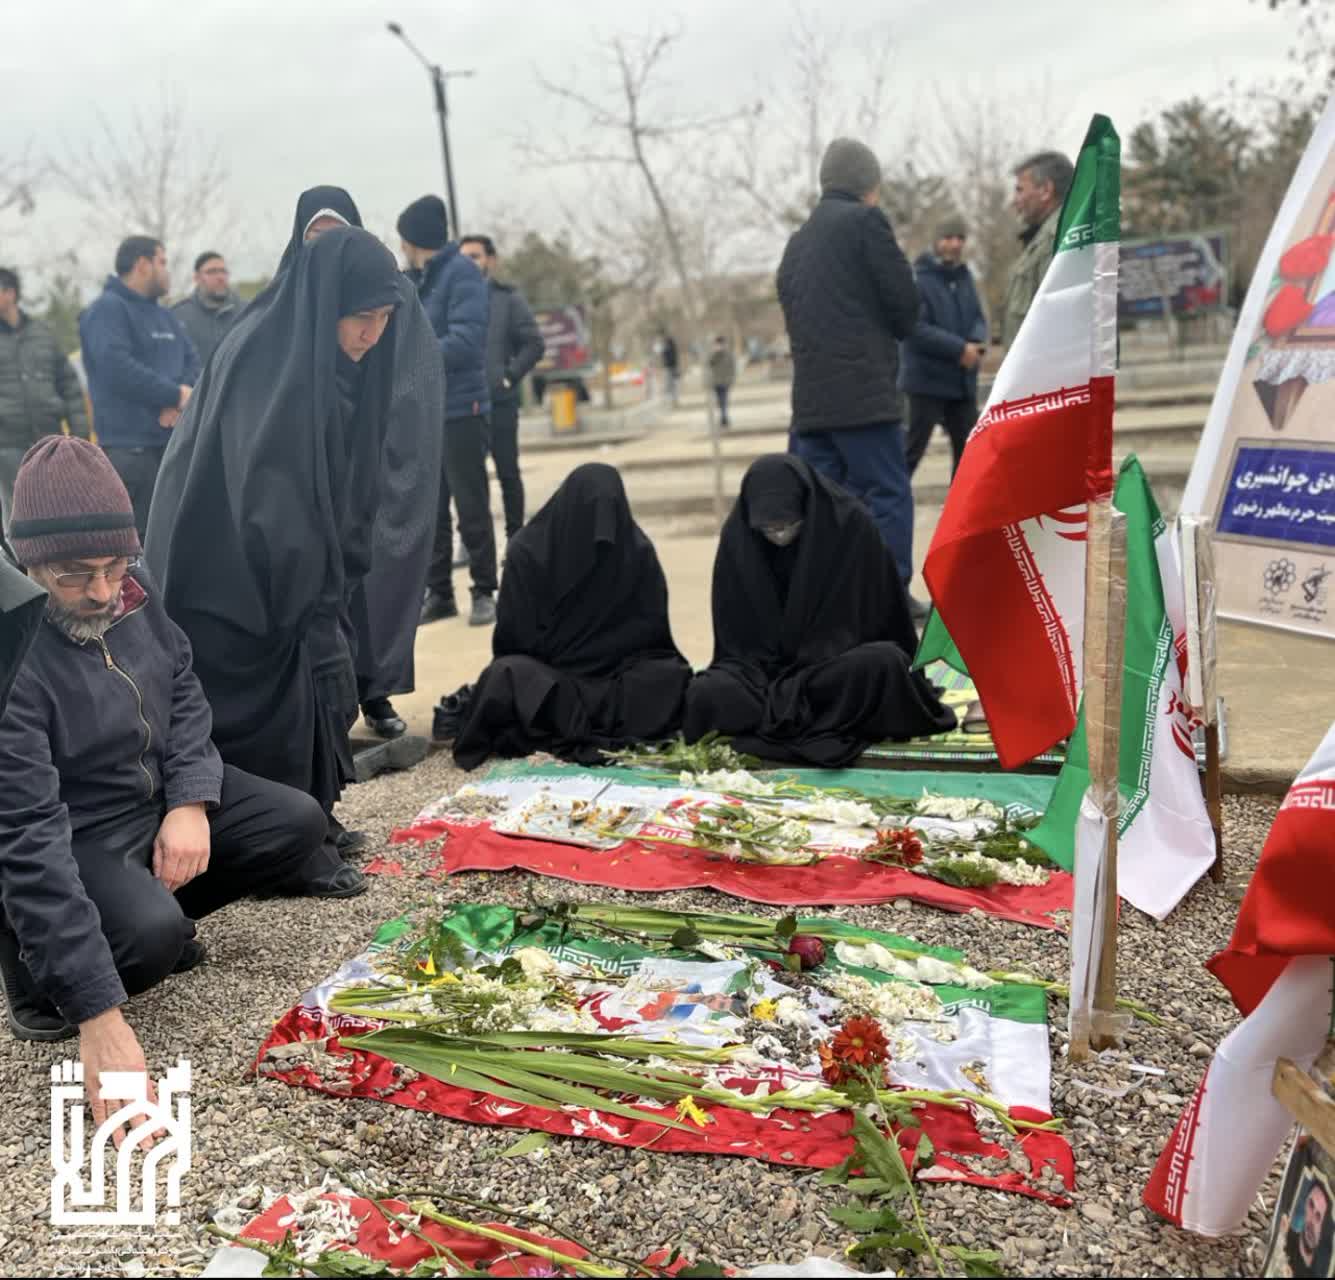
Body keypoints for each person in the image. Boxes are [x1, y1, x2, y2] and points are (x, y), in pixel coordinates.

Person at [0, 436, 337, 1096]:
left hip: (151, 796)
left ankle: (141, 916)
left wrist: (189, 801)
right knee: (150, 939)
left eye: (114, 566)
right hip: (78, 830)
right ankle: (39, 978)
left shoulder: (133, 588)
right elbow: (26, 836)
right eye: (73, 574)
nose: (102, 591)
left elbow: (181, 684)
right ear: (27, 561)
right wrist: (99, 1017)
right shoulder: (14, 657)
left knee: (297, 822)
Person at [144, 224, 404, 891]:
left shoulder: (325, 356)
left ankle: (315, 822)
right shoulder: (267, 357)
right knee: (281, 704)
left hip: (289, 564)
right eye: (361, 317)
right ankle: (286, 853)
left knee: (319, 685)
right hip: (231, 577)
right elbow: (267, 495)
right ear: (328, 304)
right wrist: (307, 595)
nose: (371, 333)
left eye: (384, 318)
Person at [267, 186, 445, 742]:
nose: (326, 249)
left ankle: (375, 688)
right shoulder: (286, 295)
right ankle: (316, 706)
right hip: (311, 471)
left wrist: (379, 445)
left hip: (374, 462)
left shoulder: (392, 295)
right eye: (315, 237)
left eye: (337, 235)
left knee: (377, 580)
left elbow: (416, 381)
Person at [683, 455, 954, 767]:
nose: (779, 535)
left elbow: (881, 618)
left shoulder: (851, 526)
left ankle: (784, 723)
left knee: (884, 663)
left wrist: (813, 663)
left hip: (833, 669)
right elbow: (736, 642)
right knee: (707, 692)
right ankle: (810, 719)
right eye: (768, 529)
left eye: (788, 525)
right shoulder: (739, 537)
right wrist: (768, 678)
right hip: (766, 678)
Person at [450, 463, 692, 769]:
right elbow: (513, 642)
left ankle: (571, 725)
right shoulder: (527, 553)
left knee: (672, 677)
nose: (600, 534)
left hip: (618, 679)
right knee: (507, 675)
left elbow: (653, 637)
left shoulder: (635, 551)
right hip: (556, 680)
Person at [776, 138, 924, 616]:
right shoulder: (866, 222)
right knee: (886, 494)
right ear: (870, 186)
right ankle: (889, 595)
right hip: (865, 399)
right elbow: (905, 306)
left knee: (825, 506)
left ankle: (832, 600)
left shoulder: (797, 242)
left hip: (811, 407)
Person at [402, 196, 495, 629]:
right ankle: (439, 592)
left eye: (404, 240)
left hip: (461, 407)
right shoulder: (414, 282)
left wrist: (409, 356)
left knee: (471, 504)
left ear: (415, 240)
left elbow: (466, 342)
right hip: (422, 411)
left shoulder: (462, 275)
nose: (402, 248)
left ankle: (484, 590)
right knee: (429, 509)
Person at [78, 236, 201, 537]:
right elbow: (117, 368)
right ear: (143, 265)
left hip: (172, 447)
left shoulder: (165, 316)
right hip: (129, 453)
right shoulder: (106, 310)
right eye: (162, 262)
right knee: (140, 544)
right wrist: (174, 395)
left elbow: (193, 362)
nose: (167, 270)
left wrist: (180, 401)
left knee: (177, 539)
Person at [459, 234, 545, 540]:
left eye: (475, 256)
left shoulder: (507, 300)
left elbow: (534, 344)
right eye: (463, 257)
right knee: (469, 480)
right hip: (463, 407)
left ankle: (516, 539)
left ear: (490, 261)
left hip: (499, 403)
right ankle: (474, 540)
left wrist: (508, 376)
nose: (468, 262)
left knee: (508, 473)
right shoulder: (452, 300)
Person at [0, 267, 91, 531]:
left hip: (48, 439)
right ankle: (19, 559)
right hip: (8, 444)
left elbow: (69, 385)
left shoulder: (42, 333)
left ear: (10, 293)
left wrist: (80, 434)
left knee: (56, 507)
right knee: (17, 515)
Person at [900, 216, 988, 478]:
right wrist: (959, 349)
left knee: (969, 455)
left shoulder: (965, 277)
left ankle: (961, 505)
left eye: (960, 238)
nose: (955, 244)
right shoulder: (917, 279)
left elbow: (977, 317)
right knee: (910, 452)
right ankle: (888, 503)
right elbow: (915, 328)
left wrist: (975, 343)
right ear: (936, 241)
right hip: (926, 383)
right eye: (948, 238)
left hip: (961, 384)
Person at [1001, 150, 1074, 349]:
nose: (1015, 201)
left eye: (1020, 190)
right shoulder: (1045, 236)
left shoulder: (1056, 239)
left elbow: (1058, 322)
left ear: (1045, 190)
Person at [170, 251, 242, 367]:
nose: (220, 277)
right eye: (212, 272)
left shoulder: (247, 312)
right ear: (196, 278)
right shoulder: (177, 316)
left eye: (223, 271)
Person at [708, 335, 736, 427]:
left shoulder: (728, 354)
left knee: (724, 400)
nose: (719, 346)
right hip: (716, 382)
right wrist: (715, 353)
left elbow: (732, 367)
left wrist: (731, 379)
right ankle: (723, 417)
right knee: (720, 401)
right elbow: (710, 363)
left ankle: (724, 417)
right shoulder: (714, 354)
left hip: (725, 381)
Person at [660, 331, 680, 406]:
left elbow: (666, 357)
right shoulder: (672, 347)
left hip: (670, 368)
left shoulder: (668, 348)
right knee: (673, 385)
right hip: (673, 367)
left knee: (669, 385)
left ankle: (670, 400)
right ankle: (673, 400)